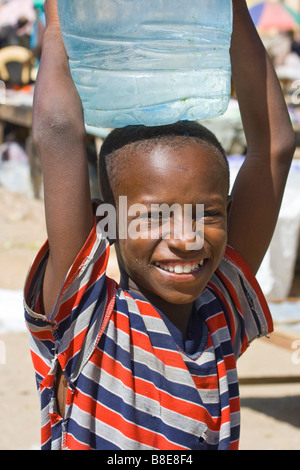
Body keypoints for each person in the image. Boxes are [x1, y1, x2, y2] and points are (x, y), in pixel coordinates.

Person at [24, 0, 295, 450]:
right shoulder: (86, 323)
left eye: (207, 213)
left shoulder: (219, 316)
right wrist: (57, 20)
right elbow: (58, 128)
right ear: (106, 223)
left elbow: (274, 149)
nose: (186, 238)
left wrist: (234, 11)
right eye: (153, 216)